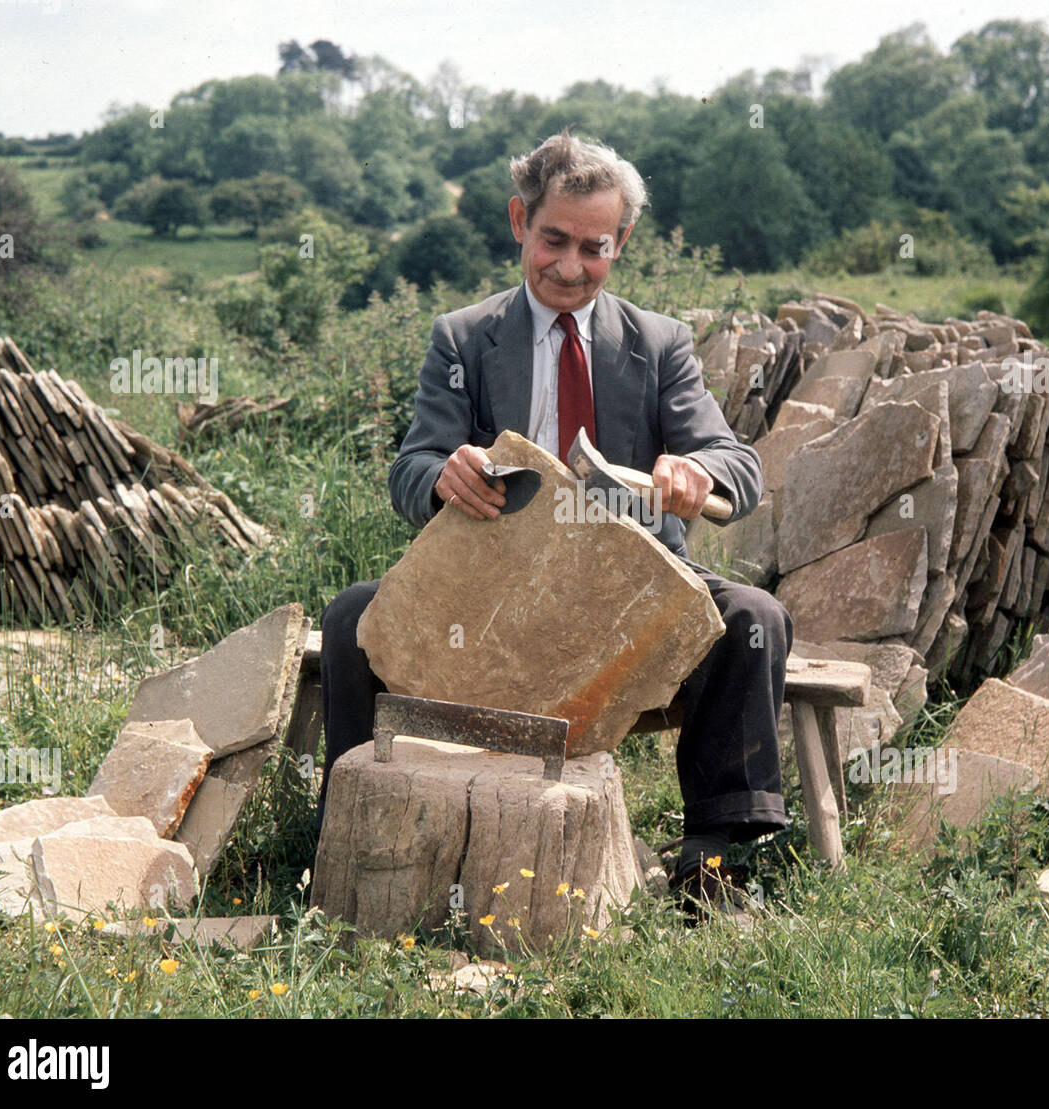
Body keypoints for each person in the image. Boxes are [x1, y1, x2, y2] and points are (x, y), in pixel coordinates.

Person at [317, 132, 793, 918]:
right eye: (554, 240)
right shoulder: (464, 338)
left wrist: (696, 473)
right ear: (518, 222)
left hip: (632, 591)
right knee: (349, 619)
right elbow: (409, 470)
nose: (571, 266)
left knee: (754, 618)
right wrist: (443, 474)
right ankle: (355, 844)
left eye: (594, 248)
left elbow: (736, 463)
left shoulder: (661, 343)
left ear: (623, 241)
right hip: (495, 595)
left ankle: (717, 870)